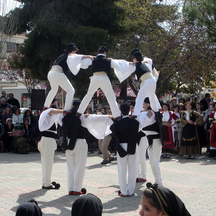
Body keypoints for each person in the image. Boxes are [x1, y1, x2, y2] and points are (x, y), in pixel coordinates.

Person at [43, 43, 93, 115]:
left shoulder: (61, 56)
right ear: (72, 50)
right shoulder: (69, 55)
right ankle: (67, 109)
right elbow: (77, 57)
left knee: (54, 90)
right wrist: (88, 56)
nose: (75, 52)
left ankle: (45, 106)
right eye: (75, 51)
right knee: (71, 90)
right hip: (58, 73)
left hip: (51, 73)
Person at [76, 46, 122, 119]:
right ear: (105, 53)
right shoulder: (108, 60)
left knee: (88, 95)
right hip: (104, 77)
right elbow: (117, 64)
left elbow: (84, 64)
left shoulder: (93, 59)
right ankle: (117, 115)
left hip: (94, 77)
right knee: (111, 97)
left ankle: (79, 111)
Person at [110, 102, 139, 197]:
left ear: (120, 111)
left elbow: (111, 129)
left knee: (122, 169)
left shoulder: (117, 123)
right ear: (130, 110)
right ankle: (131, 190)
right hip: (133, 145)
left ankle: (124, 191)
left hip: (121, 145)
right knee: (133, 169)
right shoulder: (135, 121)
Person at [62, 100, 88, 195]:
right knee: (79, 167)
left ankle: (70, 188)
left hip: (69, 142)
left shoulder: (66, 117)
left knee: (71, 167)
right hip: (80, 141)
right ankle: (77, 189)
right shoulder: (82, 117)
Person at [137, 98, 163, 186]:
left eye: (144, 104)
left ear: (148, 104)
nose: (142, 106)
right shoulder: (150, 113)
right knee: (153, 162)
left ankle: (159, 182)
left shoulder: (151, 114)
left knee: (154, 162)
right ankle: (158, 181)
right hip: (152, 140)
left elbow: (147, 118)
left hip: (155, 140)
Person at [38, 106, 63, 189]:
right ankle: (47, 184)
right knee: (48, 163)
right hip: (47, 140)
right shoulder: (47, 115)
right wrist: (62, 110)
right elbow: (51, 111)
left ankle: (45, 182)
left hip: (48, 140)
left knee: (46, 162)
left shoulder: (51, 119)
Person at [129, 51, 161, 117]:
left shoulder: (137, 64)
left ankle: (136, 113)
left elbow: (129, 64)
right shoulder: (142, 63)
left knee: (140, 97)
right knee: (151, 96)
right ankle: (156, 110)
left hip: (147, 81)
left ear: (135, 58)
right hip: (153, 80)